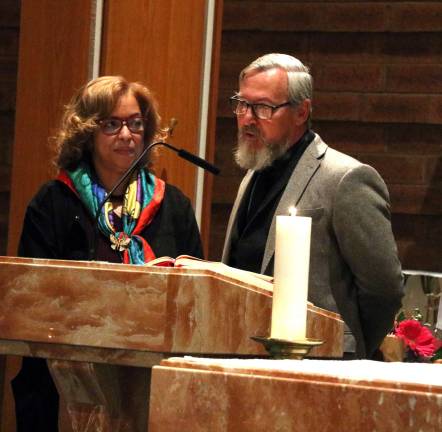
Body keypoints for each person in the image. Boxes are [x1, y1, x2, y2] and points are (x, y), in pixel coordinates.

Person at [12, 76, 203, 431]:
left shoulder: (172, 205)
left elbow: (197, 296)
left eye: (135, 123)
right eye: (112, 124)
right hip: (64, 385)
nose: (127, 135)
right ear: (86, 132)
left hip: (153, 383)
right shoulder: (54, 202)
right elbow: (32, 299)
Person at [222, 53, 404, 360]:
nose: (248, 118)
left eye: (263, 107)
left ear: (301, 112)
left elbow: (384, 288)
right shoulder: (253, 173)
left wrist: (350, 344)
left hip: (321, 361)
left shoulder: (346, 178)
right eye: (242, 104)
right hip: (243, 355)